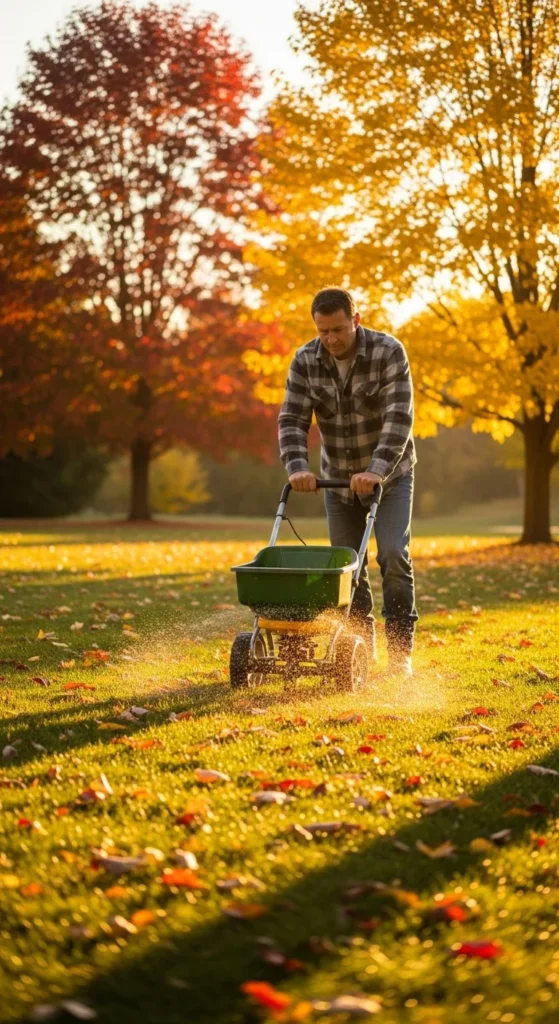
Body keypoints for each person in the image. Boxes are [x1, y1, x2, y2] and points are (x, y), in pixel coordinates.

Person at [278, 286, 418, 676]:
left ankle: (400, 653)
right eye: (323, 331)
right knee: (348, 567)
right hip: (338, 480)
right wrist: (297, 467)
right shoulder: (306, 360)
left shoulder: (388, 352)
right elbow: (292, 419)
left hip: (390, 477)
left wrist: (376, 470)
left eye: (338, 329)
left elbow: (399, 419)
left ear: (356, 320)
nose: (331, 340)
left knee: (391, 555)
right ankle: (360, 645)